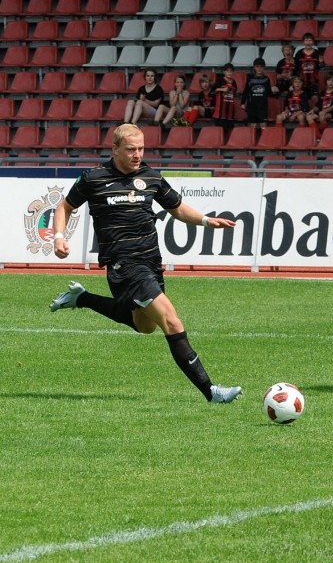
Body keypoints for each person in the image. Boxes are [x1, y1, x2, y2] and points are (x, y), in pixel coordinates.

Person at [48, 123, 242, 404]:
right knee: (172, 322)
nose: (137, 154)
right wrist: (58, 237)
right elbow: (65, 207)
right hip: (123, 266)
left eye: (140, 148)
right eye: (131, 149)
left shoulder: (151, 177)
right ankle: (211, 391)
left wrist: (205, 221)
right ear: (115, 149)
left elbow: (177, 208)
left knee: (145, 326)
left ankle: (82, 299)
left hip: (151, 262)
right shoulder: (93, 178)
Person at [242, 57, 274, 128]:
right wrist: (242, 102)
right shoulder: (250, 79)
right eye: (257, 66)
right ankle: (251, 139)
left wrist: (275, 91)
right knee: (252, 125)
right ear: (254, 67)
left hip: (262, 107)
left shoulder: (266, 79)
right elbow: (246, 91)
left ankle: (265, 139)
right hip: (251, 106)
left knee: (263, 125)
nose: (259, 69)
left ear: (264, 68)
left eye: (261, 67)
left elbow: (269, 93)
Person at [294, 32, 324, 99]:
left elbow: (322, 67)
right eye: (306, 40)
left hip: (314, 83)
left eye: (310, 40)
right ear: (303, 42)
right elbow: (296, 69)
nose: (308, 43)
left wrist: (321, 63)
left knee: (315, 98)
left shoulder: (317, 53)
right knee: (302, 99)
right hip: (302, 83)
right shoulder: (299, 54)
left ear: (313, 42)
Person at [211, 62, 240, 129]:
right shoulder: (220, 80)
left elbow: (234, 92)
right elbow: (212, 90)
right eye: (227, 71)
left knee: (230, 132)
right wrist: (222, 89)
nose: (229, 73)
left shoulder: (234, 82)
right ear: (224, 72)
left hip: (230, 113)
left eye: (231, 71)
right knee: (220, 132)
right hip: (220, 113)